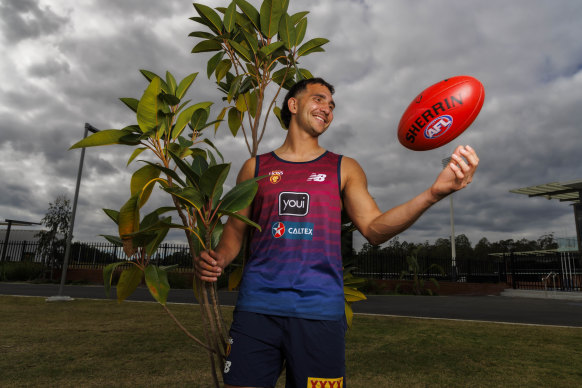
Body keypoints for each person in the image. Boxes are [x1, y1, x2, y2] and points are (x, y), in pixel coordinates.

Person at [195, 77, 479, 388]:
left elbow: (374, 229)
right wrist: (218, 258)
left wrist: (433, 194)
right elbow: (236, 232)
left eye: (331, 105)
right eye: (318, 99)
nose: (327, 109)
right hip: (257, 311)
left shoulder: (344, 168)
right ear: (293, 104)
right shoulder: (255, 168)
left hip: (320, 314)